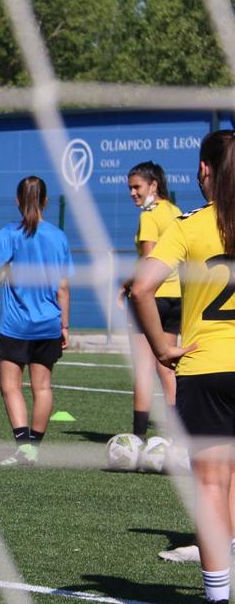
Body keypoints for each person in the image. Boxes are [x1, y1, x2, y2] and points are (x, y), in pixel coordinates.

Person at [131, 129, 235, 604]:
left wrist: (160, 347)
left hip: (206, 367)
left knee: (213, 486)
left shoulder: (189, 224)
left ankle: (218, 597)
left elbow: (141, 287)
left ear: (204, 170)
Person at [0, 176, 72, 466]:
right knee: (43, 387)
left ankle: (23, 447)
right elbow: (63, 287)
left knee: (11, 386)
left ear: (16, 201)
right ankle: (33, 448)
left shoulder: (9, 233)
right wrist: (65, 326)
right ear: (45, 201)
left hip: (16, 325)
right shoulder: (58, 237)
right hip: (49, 323)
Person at [119, 161, 181, 439]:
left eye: (137, 187)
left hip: (151, 297)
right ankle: (174, 435)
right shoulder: (176, 212)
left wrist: (125, 284)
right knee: (166, 367)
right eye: (130, 187)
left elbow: (148, 257)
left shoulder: (149, 215)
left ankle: (137, 438)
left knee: (143, 368)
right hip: (176, 296)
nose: (132, 192)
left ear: (153, 185)